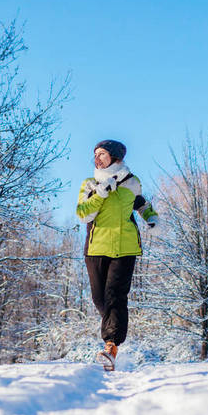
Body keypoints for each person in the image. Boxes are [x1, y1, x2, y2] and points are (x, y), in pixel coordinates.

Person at [76, 139, 158, 371]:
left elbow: (140, 203)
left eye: (102, 154)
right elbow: (83, 215)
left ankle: (110, 346)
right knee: (99, 298)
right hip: (96, 247)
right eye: (95, 154)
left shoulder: (132, 182)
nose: (97, 158)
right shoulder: (90, 184)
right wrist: (100, 194)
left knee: (115, 295)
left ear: (116, 157)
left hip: (126, 247)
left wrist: (150, 216)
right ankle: (114, 328)